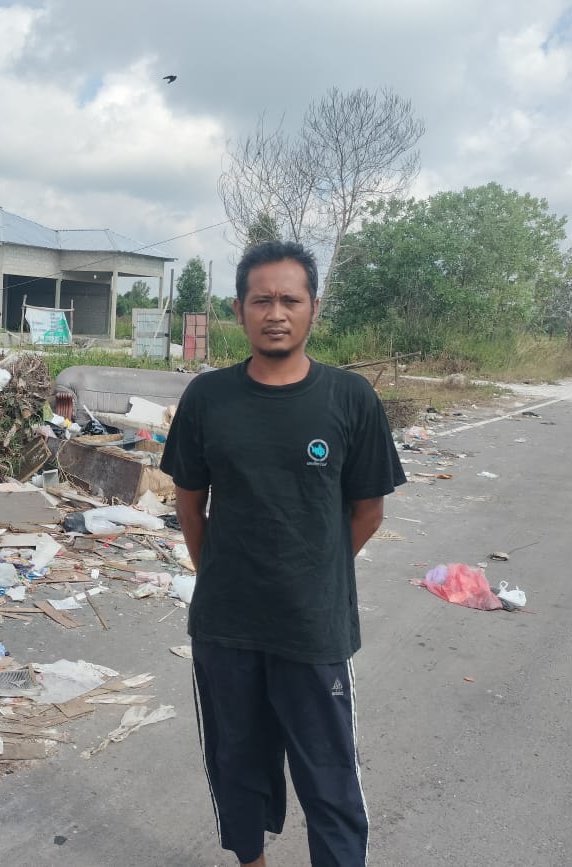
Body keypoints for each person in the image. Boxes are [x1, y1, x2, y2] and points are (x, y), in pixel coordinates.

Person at [160, 241, 406, 867]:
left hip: (311, 628)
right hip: (226, 626)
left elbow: (368, 512)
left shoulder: (350, 399)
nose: (276, 312)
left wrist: (313, 572)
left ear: (313, 309)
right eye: (261, 300)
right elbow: (190, 506)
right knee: (235, 763)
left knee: (329, 776)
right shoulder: (207, 399)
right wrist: (220, 574)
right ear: (238, 310)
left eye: (289, 299)